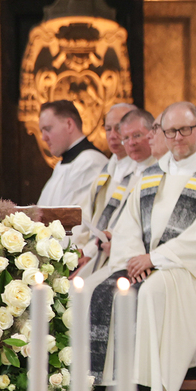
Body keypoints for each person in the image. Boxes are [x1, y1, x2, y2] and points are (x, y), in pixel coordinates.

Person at [90, 101, 196, 391]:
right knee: (96, 290)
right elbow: (128, 224)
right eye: (170, 131)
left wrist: (154, 259)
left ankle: (145, 390)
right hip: (145, 263)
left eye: (185, 130)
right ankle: (94, 387)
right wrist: (135, 257)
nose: (178, 137)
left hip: (191, 271)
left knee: (150, 292)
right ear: (161, 133)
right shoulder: (152, 174)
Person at [71, 103, 135, 274]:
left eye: (118, 129)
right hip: (91, 251)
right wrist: (76, 249)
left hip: (116, 255)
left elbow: (120, 225)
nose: (112, 135)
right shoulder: (106, 171)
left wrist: (90, 252)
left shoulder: (140, 173)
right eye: (108, 129)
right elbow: (84, 217)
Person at [37, 100, 109, 207]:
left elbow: (76, 214)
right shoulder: (61, 165)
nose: (43, 138)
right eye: (41, 131)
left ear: (69, 125)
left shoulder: (91, 162)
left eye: (48, 129)